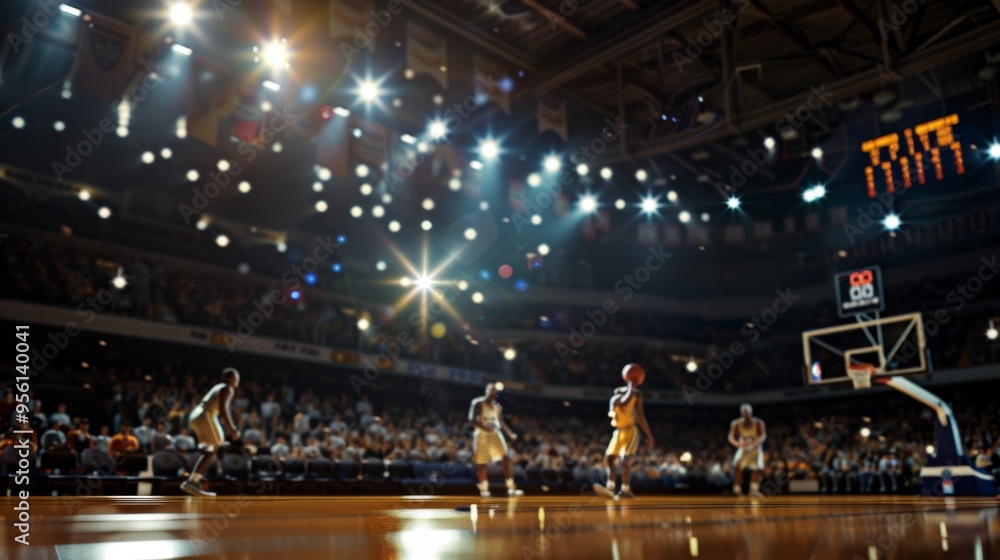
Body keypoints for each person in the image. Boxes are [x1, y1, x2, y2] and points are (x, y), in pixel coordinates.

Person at [180, 368, 241, 497]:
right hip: (205, 414)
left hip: (198, 414)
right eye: (236, 378)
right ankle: (193, 481)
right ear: (231, 378)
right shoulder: (228, 388)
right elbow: (223, 409)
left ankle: (195, 480)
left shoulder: (220, 386)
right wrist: (232, 428)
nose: (238, 381)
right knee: (214, 446)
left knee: (211, 448)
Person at [594, 374, 654, 499]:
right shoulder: (615, 399)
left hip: (631, 430)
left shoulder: (634, 397)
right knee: (610, 458)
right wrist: (631, 384)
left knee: (624, 459)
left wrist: (649, 436)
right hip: (619, 431)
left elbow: (641, 418)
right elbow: (624, 401)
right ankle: (610, 486)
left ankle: (626, 489)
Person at [468, 383, 523, 497]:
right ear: (486, 390)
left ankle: (511, 487)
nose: (492, 393)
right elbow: (473, 420)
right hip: (482, 435)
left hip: (495, 433)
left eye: (494, 391)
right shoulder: (478, 403)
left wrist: (510, 433)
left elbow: (501, 422)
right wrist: (485, 428)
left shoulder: (497, 407)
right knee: (482, 462)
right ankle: (484, 488)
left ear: (496, 393)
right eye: (490, 390)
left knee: (505, 458)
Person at [729, 403, 766, 497]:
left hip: (756, 448)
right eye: (744, 412)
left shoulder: (758, 422)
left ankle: (754, 490)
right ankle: (736, 489)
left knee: (757, 468)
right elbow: (731, 437)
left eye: (747, 412)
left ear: (751, 412)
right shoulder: (736, 423)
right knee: (738, 467)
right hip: (744, 448)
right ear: (741, 413)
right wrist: (739, 444)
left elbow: (763, 436)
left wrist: (755, 444)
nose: (746, 414)